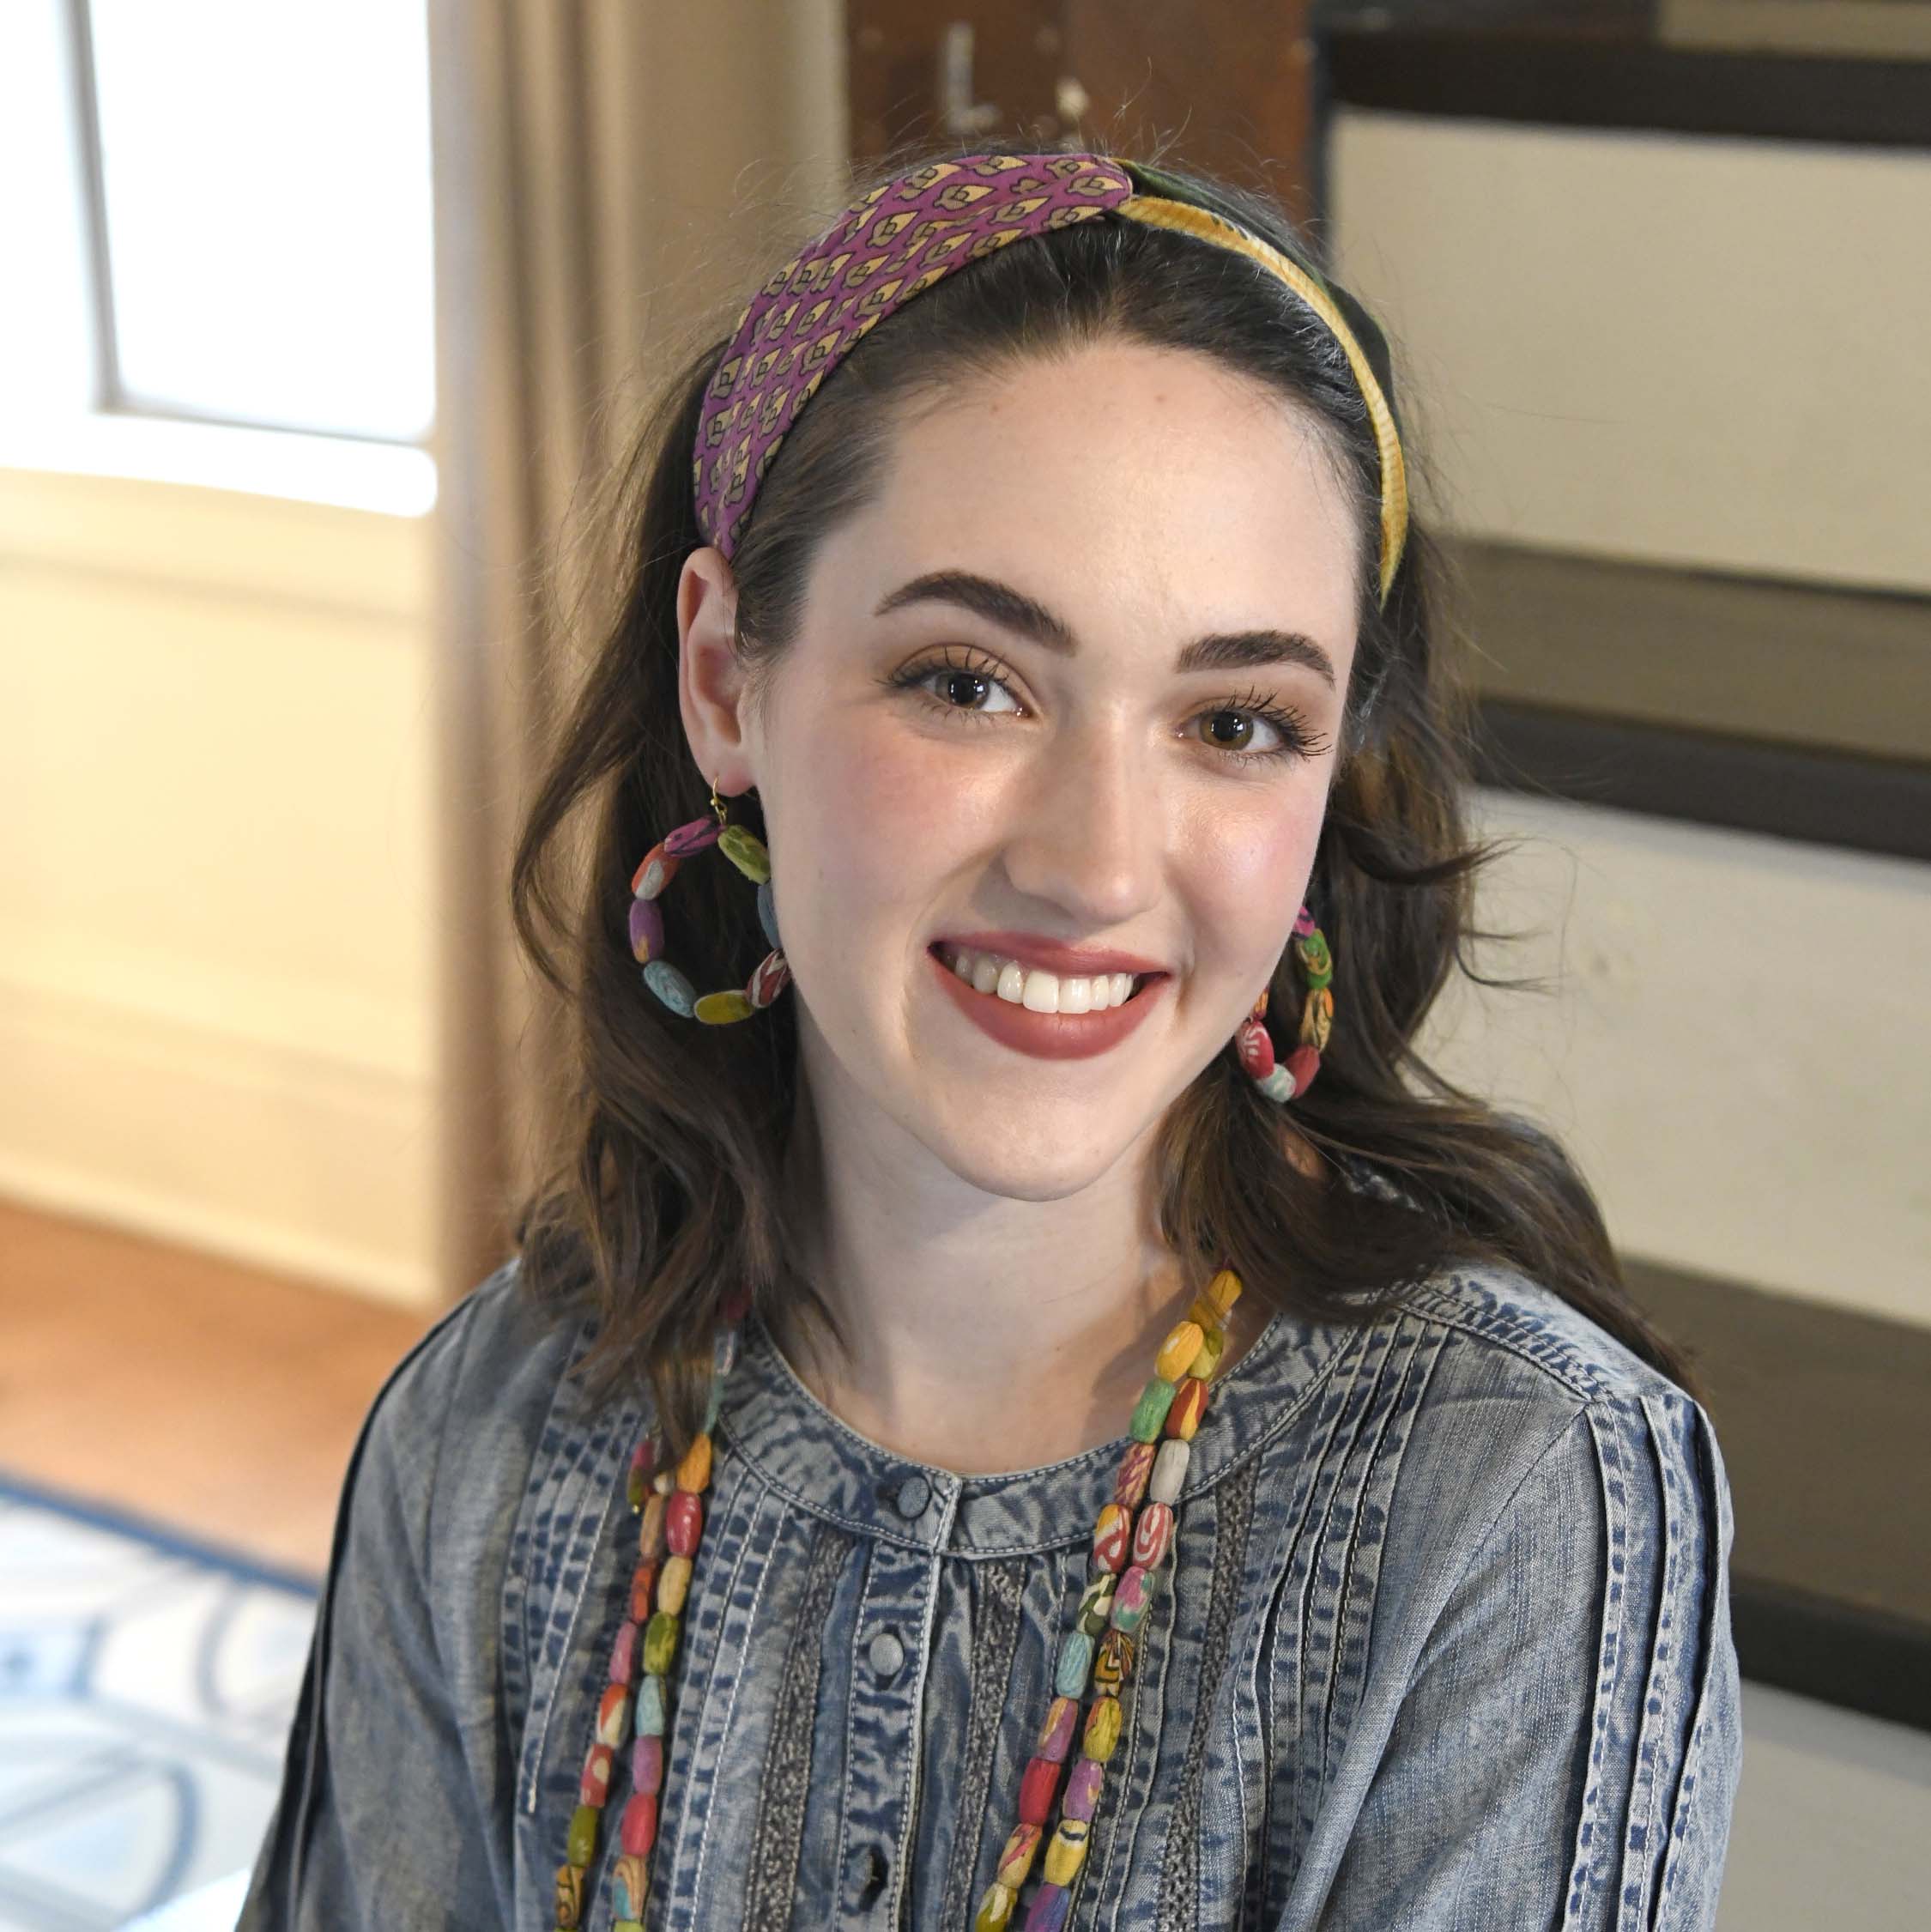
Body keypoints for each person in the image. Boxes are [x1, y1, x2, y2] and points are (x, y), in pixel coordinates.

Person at [239, 148, 1742, 1931]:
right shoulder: (482, 1434)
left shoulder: (1522, 1493)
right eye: (970, 681)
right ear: (728, 678)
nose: (1096, 863)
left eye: (1239, 720)